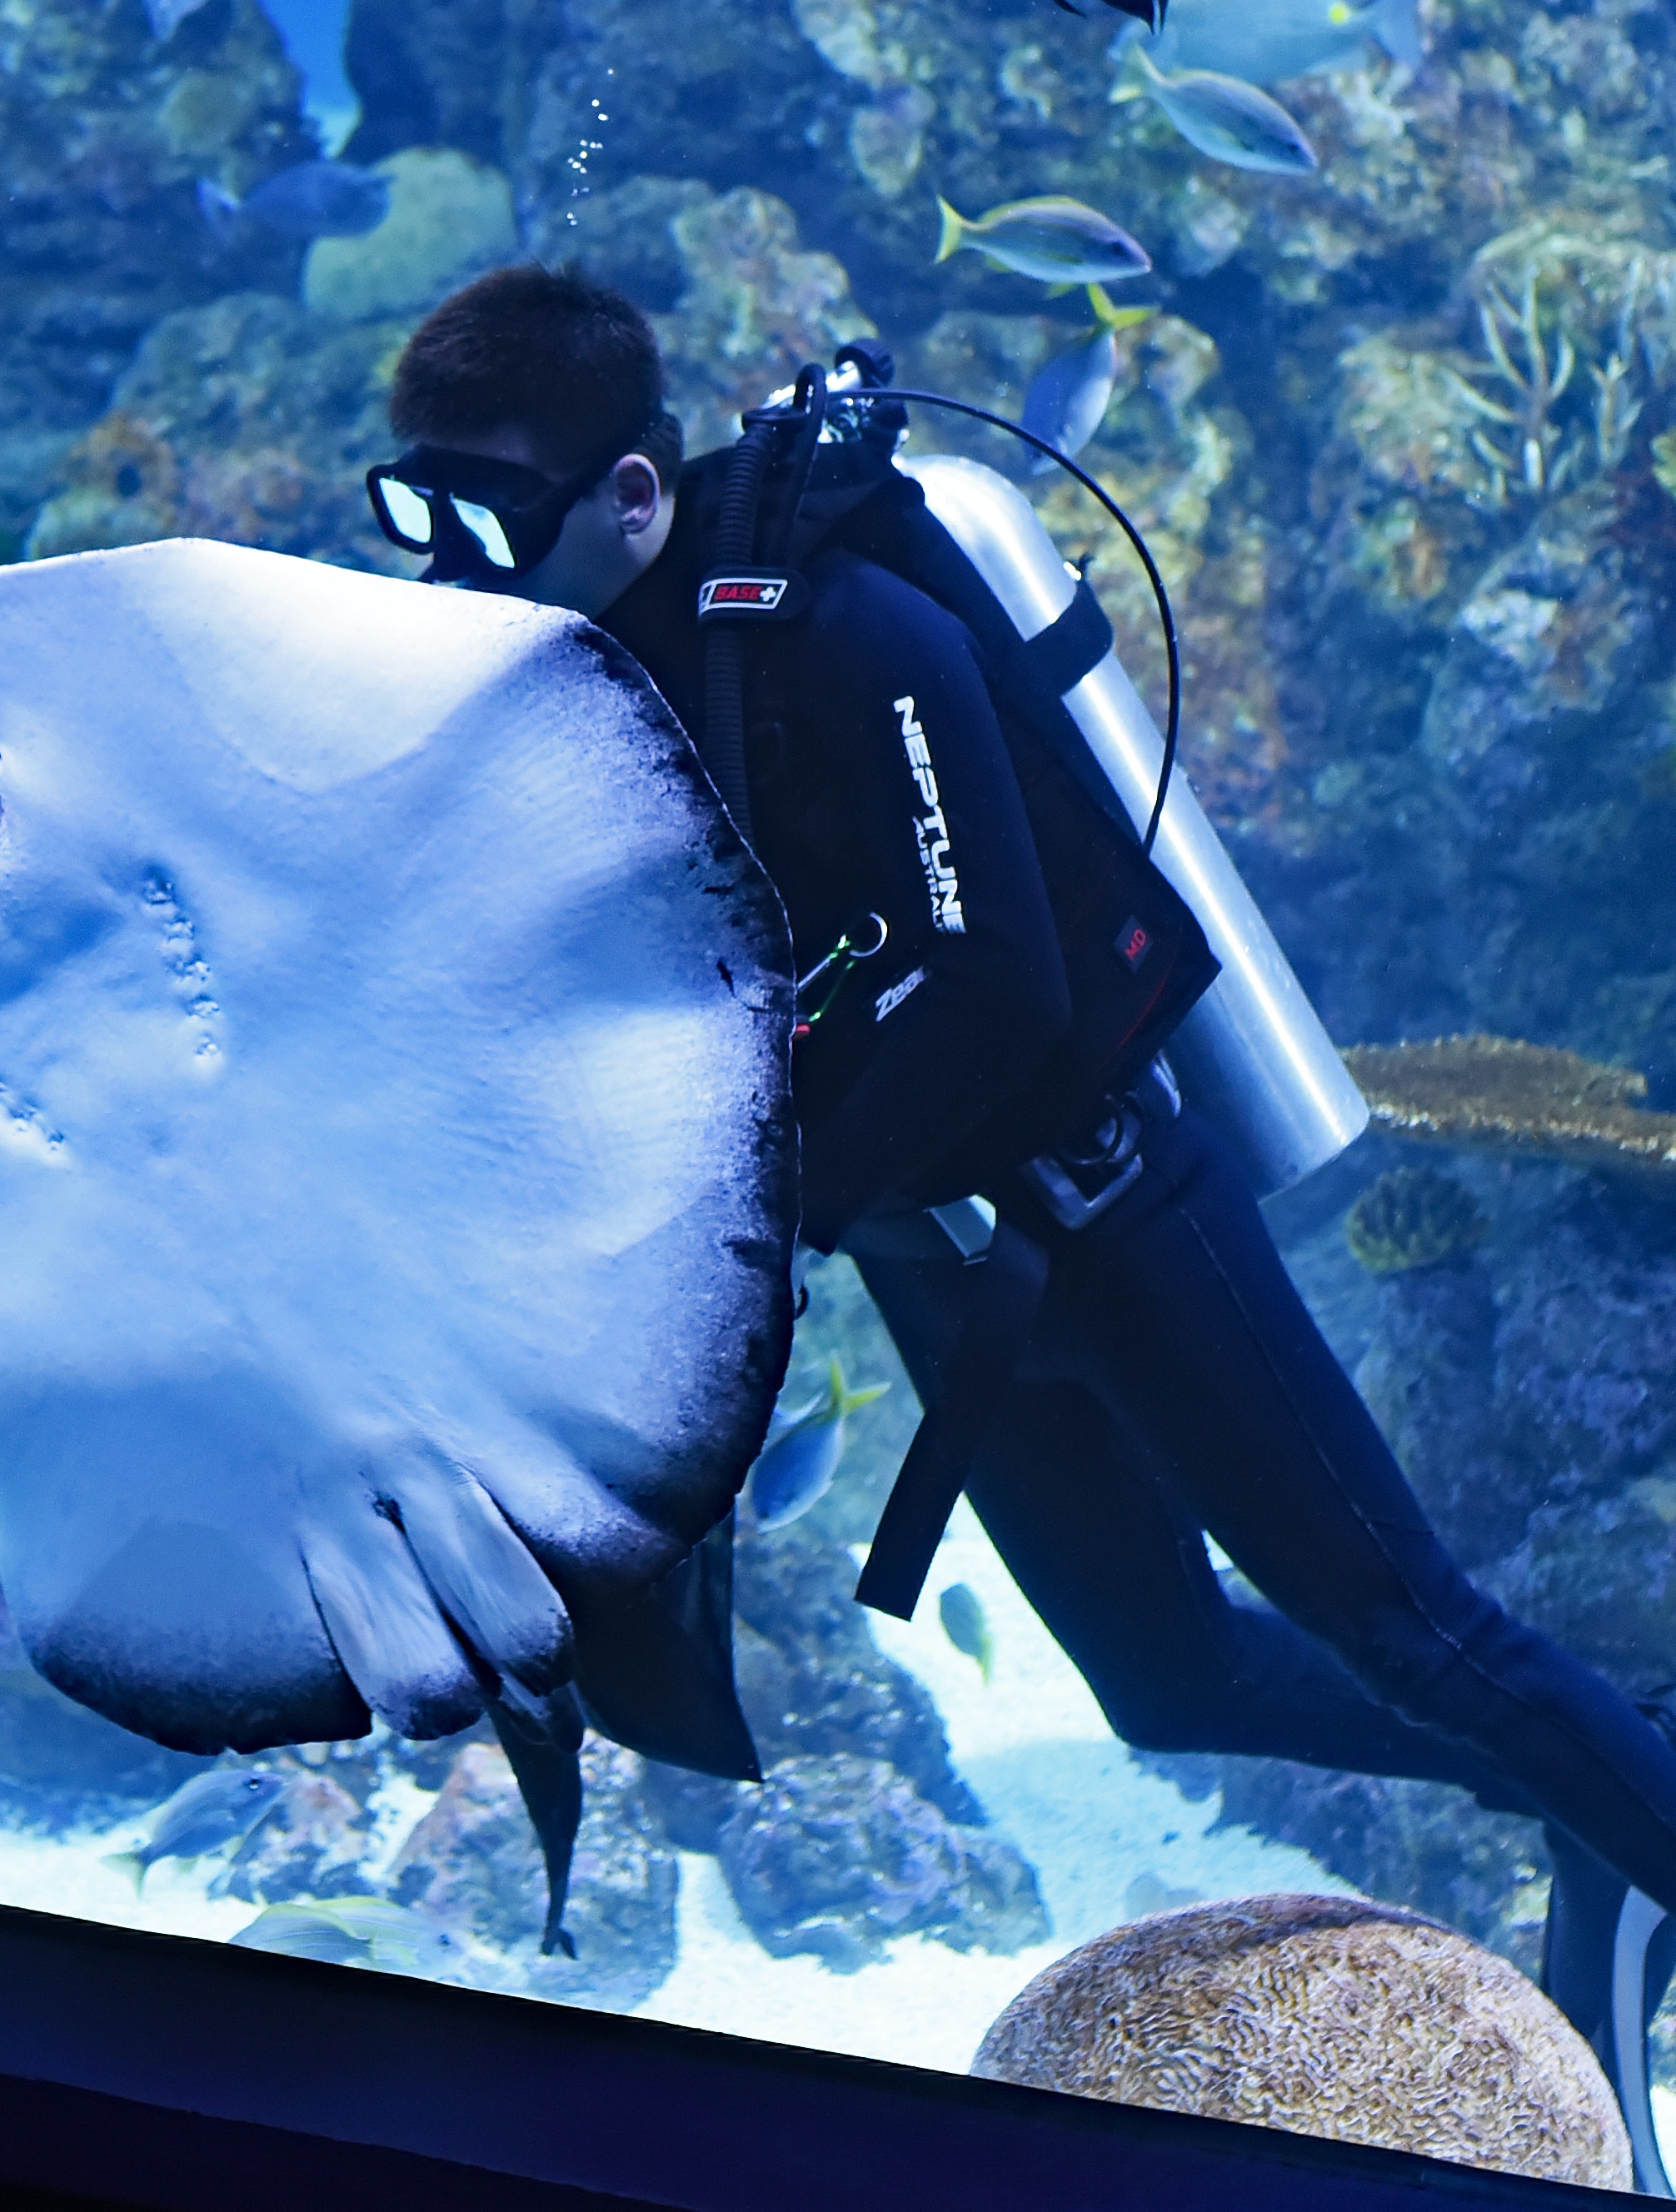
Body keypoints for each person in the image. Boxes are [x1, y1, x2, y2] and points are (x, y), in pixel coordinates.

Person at [371, 262, 1676, 2161]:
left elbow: (1002, 987)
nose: (446, 568)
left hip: (1113, 1208)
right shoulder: (583, 687)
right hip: (947, 1271)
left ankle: (1617, 1778)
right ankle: (1603, 1766)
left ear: (632, 493)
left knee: (1416, 1633)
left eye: (486, 517)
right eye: (411, 513)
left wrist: (769, 1218)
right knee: (1168, 1681)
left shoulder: (847, 630)